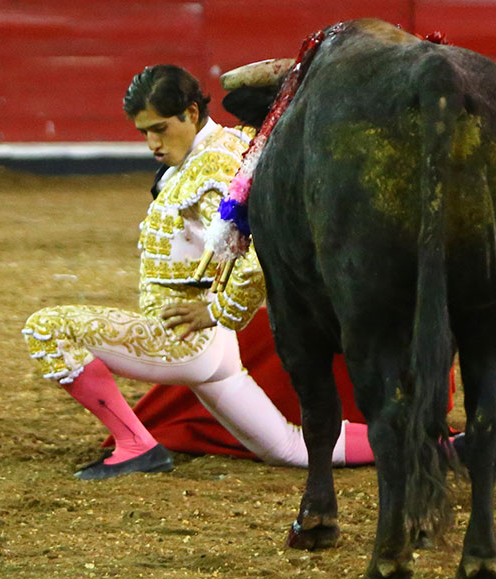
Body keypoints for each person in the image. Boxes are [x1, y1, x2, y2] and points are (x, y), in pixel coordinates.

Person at [22, 65, 373, 480]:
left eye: (160, 128)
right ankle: (432, 442)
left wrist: (218, 311)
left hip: (186, 338)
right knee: (291, 447)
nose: (152, 143)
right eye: (144, 132)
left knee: (47, 329)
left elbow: (258, 254)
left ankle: (136, 446)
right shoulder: (222, 147)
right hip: (211, 346)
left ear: (191, 113)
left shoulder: (210, 169)